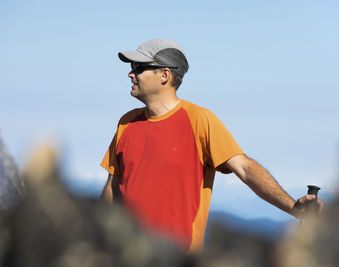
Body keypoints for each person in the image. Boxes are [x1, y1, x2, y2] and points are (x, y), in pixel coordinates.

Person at [100, 38, 324, 253]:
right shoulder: (126, 123)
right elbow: (113, 186)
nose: (131, 73)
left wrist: (294, 208)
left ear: (164, 75)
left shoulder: (199, 120)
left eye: (139, 67)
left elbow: (245, 169)